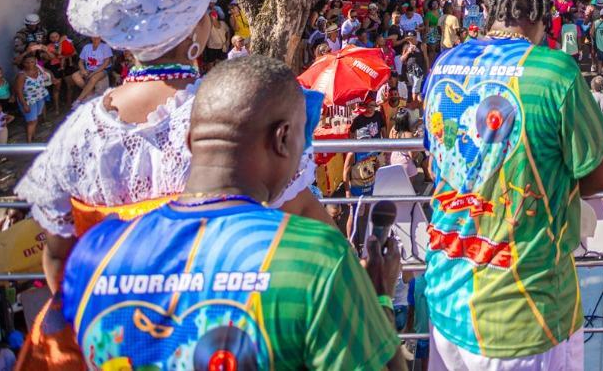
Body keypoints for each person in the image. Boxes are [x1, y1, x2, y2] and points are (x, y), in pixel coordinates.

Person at [14, 0, 324, 369]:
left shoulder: (79, 131)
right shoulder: (236, 117)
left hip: (117, 345)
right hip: (224, 338)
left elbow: (59, 254)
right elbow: (310, 224)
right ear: (196, 33)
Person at [61, 56, 406, 371]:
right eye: (305, 139)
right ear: (283, 139)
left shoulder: (95, 253)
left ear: (190, 140)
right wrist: (378, 299)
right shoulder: (317, 258)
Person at [421, 0, 603, 367]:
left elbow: (435, 164)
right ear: (542, 8)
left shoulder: (443, 66)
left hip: (446, 301)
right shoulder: (553, 73)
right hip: (523, 315)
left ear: (488, 8)